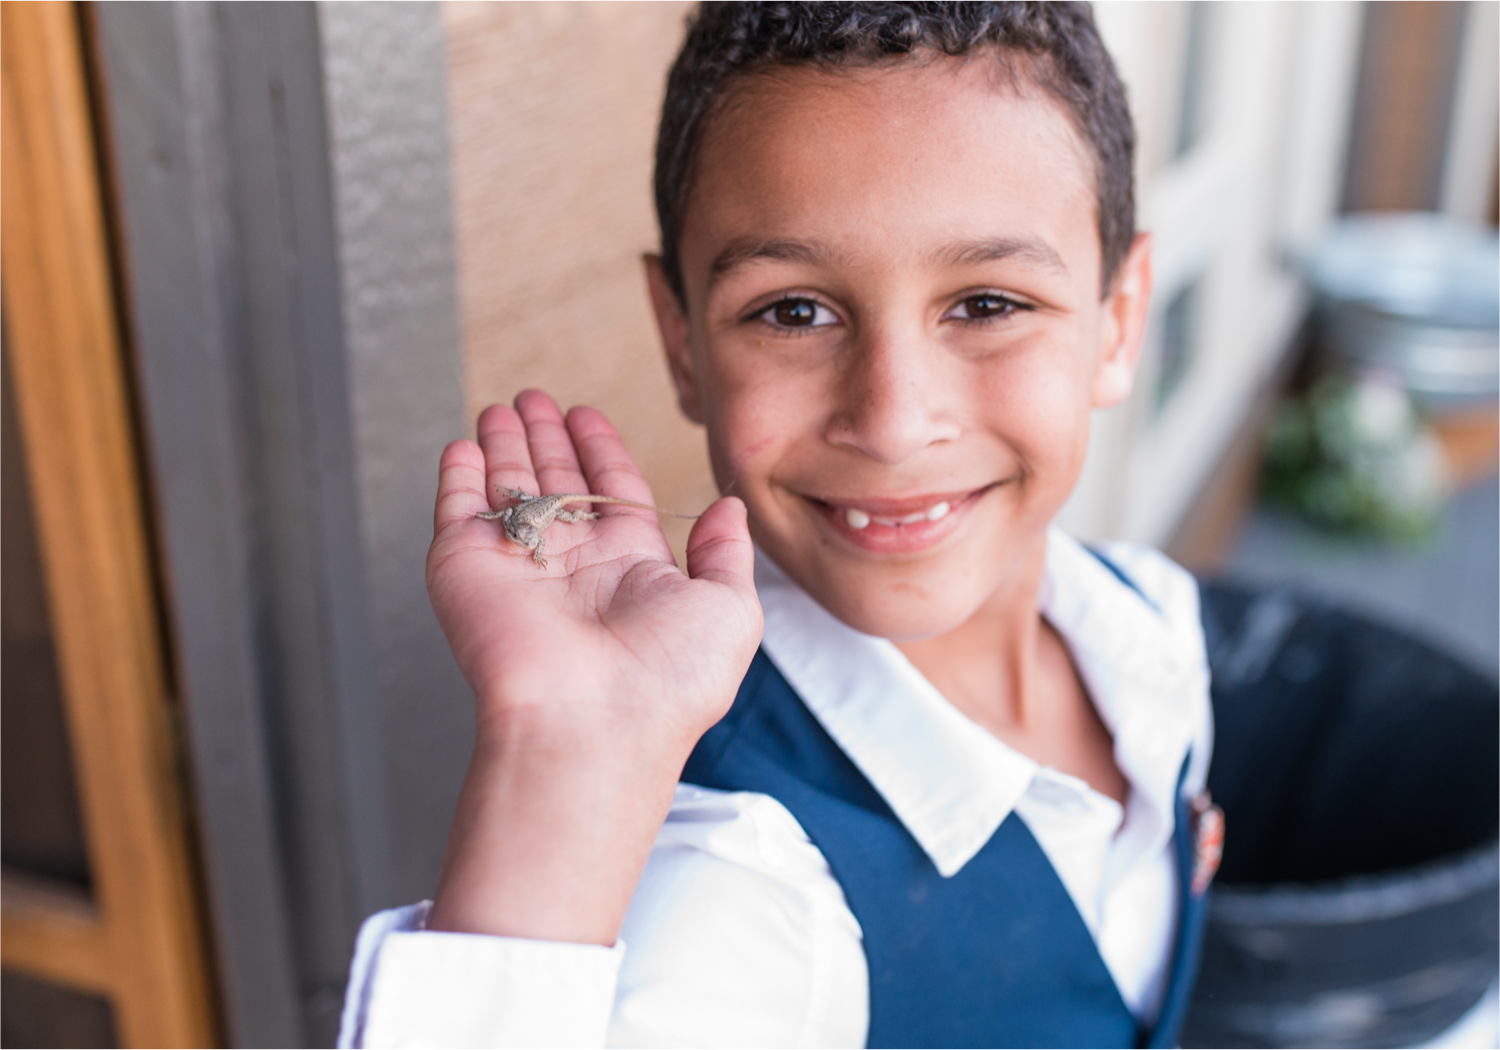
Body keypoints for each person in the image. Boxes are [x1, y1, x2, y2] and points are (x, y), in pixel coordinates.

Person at [340, 3, 1219, 1046]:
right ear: (681, 345)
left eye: (986, 303)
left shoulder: (1147, 625)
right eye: (794, 310)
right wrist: (560, 753)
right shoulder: (741, 887)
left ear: (1118, 321)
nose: (893, 424)